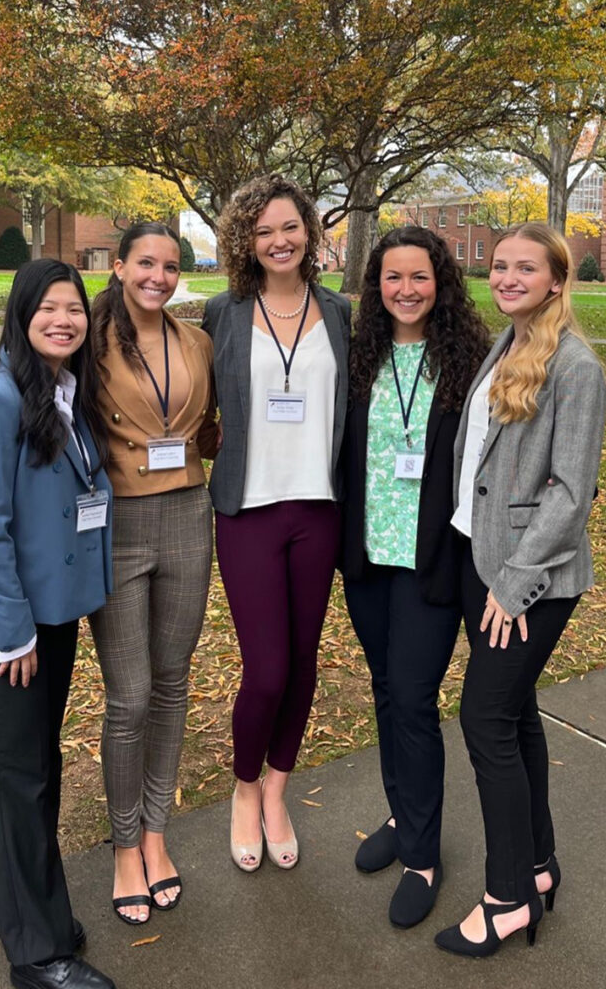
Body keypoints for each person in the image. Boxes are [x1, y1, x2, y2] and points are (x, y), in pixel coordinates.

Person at [0, 259, 116, 989]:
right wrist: (14, 633)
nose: (64, 321)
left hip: (51, 611)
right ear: (21, 314)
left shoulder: (65, 390)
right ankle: (38, 952)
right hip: (1, 623)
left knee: (33, 766)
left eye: (74, 309)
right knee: (22, 776)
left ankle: (8, 902)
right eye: (49, 308)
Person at [435, 223, 606, 957]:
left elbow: (571, 493)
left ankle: (506, 898)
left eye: (525, 268)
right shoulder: (507, 343)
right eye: (500, 265)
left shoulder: (575, 366)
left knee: (484, 720)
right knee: (514, 714)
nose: (507, 277)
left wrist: (512, 585)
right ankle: (537, 865)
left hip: (528, 579)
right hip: (479, 560)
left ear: (556, 280)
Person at [340, 227, 490, 928]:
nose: (406, 289)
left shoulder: (470, 362)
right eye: (393, 277)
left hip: (432, 559)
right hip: (369, 555)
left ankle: (423, 856)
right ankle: (402, 816)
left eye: (419, 277)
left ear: (441, 283)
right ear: (377, 284)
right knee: (385, 690)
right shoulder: (360, 355)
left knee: (413, 698)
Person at [202, 174, 350, 872]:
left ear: (309, 232)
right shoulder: (222, 313)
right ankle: (243, 789)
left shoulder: (341, 313)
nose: (279, 240)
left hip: (318, 510)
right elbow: (190, 394)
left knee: (302, 664)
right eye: (263, 231)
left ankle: (276, 791)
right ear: (246, 241)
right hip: (249, 511)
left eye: (289, 227)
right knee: (266, 672)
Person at [89, 222, 219, 924]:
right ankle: (124, 844)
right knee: (129, 697)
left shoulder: (196, 342)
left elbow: (211, 430)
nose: (158, 277)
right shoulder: (89, 340)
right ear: (119, 266)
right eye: (146, 263)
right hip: (117, 526)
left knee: (171, 683)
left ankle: (157, 833)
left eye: (170, 266)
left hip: (189, 517)